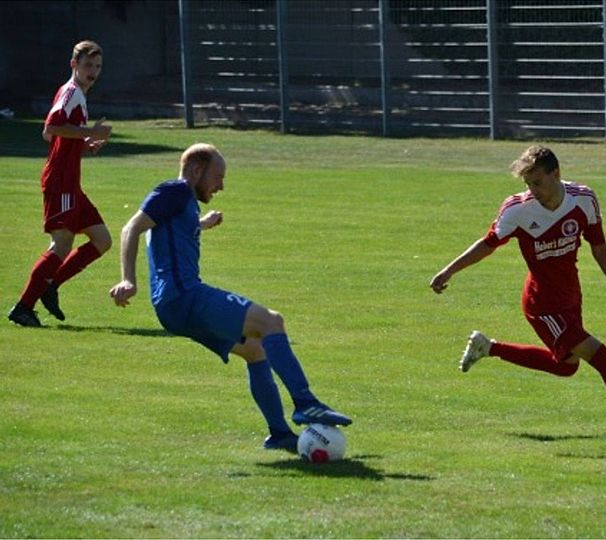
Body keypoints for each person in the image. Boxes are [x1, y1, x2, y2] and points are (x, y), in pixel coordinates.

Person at [108, 143, 351, 451]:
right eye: (217, 177)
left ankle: (279, 434)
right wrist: (128, 279)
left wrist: (201, 224)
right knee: (271, 322)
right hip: (185, 296)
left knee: (255, 349)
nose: (221, 186)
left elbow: (168, 230)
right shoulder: (175, 191)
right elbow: (131, 228)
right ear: (197, 170)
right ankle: (305, 403)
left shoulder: (182, 202)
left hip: (172, 307)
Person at [430, 145, 606, 440]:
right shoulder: (517, 209)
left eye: (537, 182)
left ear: (556, 174)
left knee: (566, 368)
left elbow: (600, 248)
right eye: (528, 184)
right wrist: (449, 270)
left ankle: (489, 347)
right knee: (600, 356)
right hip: (542, 304)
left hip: (571, 297)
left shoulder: (583, 200)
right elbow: (487, 244)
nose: (532, 190)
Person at [8, 40, 114, 327]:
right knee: (61, 244)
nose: (93, 71)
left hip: (70, 183)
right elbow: (50, 128)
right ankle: (24, 307)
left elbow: (53, 137)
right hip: (60, 182)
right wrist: (90, 132)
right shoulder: (71, 92)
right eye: (88, 65)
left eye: (98, 66)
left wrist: (85, 143)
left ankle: (51, 285)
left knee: (102, 240)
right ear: (74, 65)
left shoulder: (76, 94)